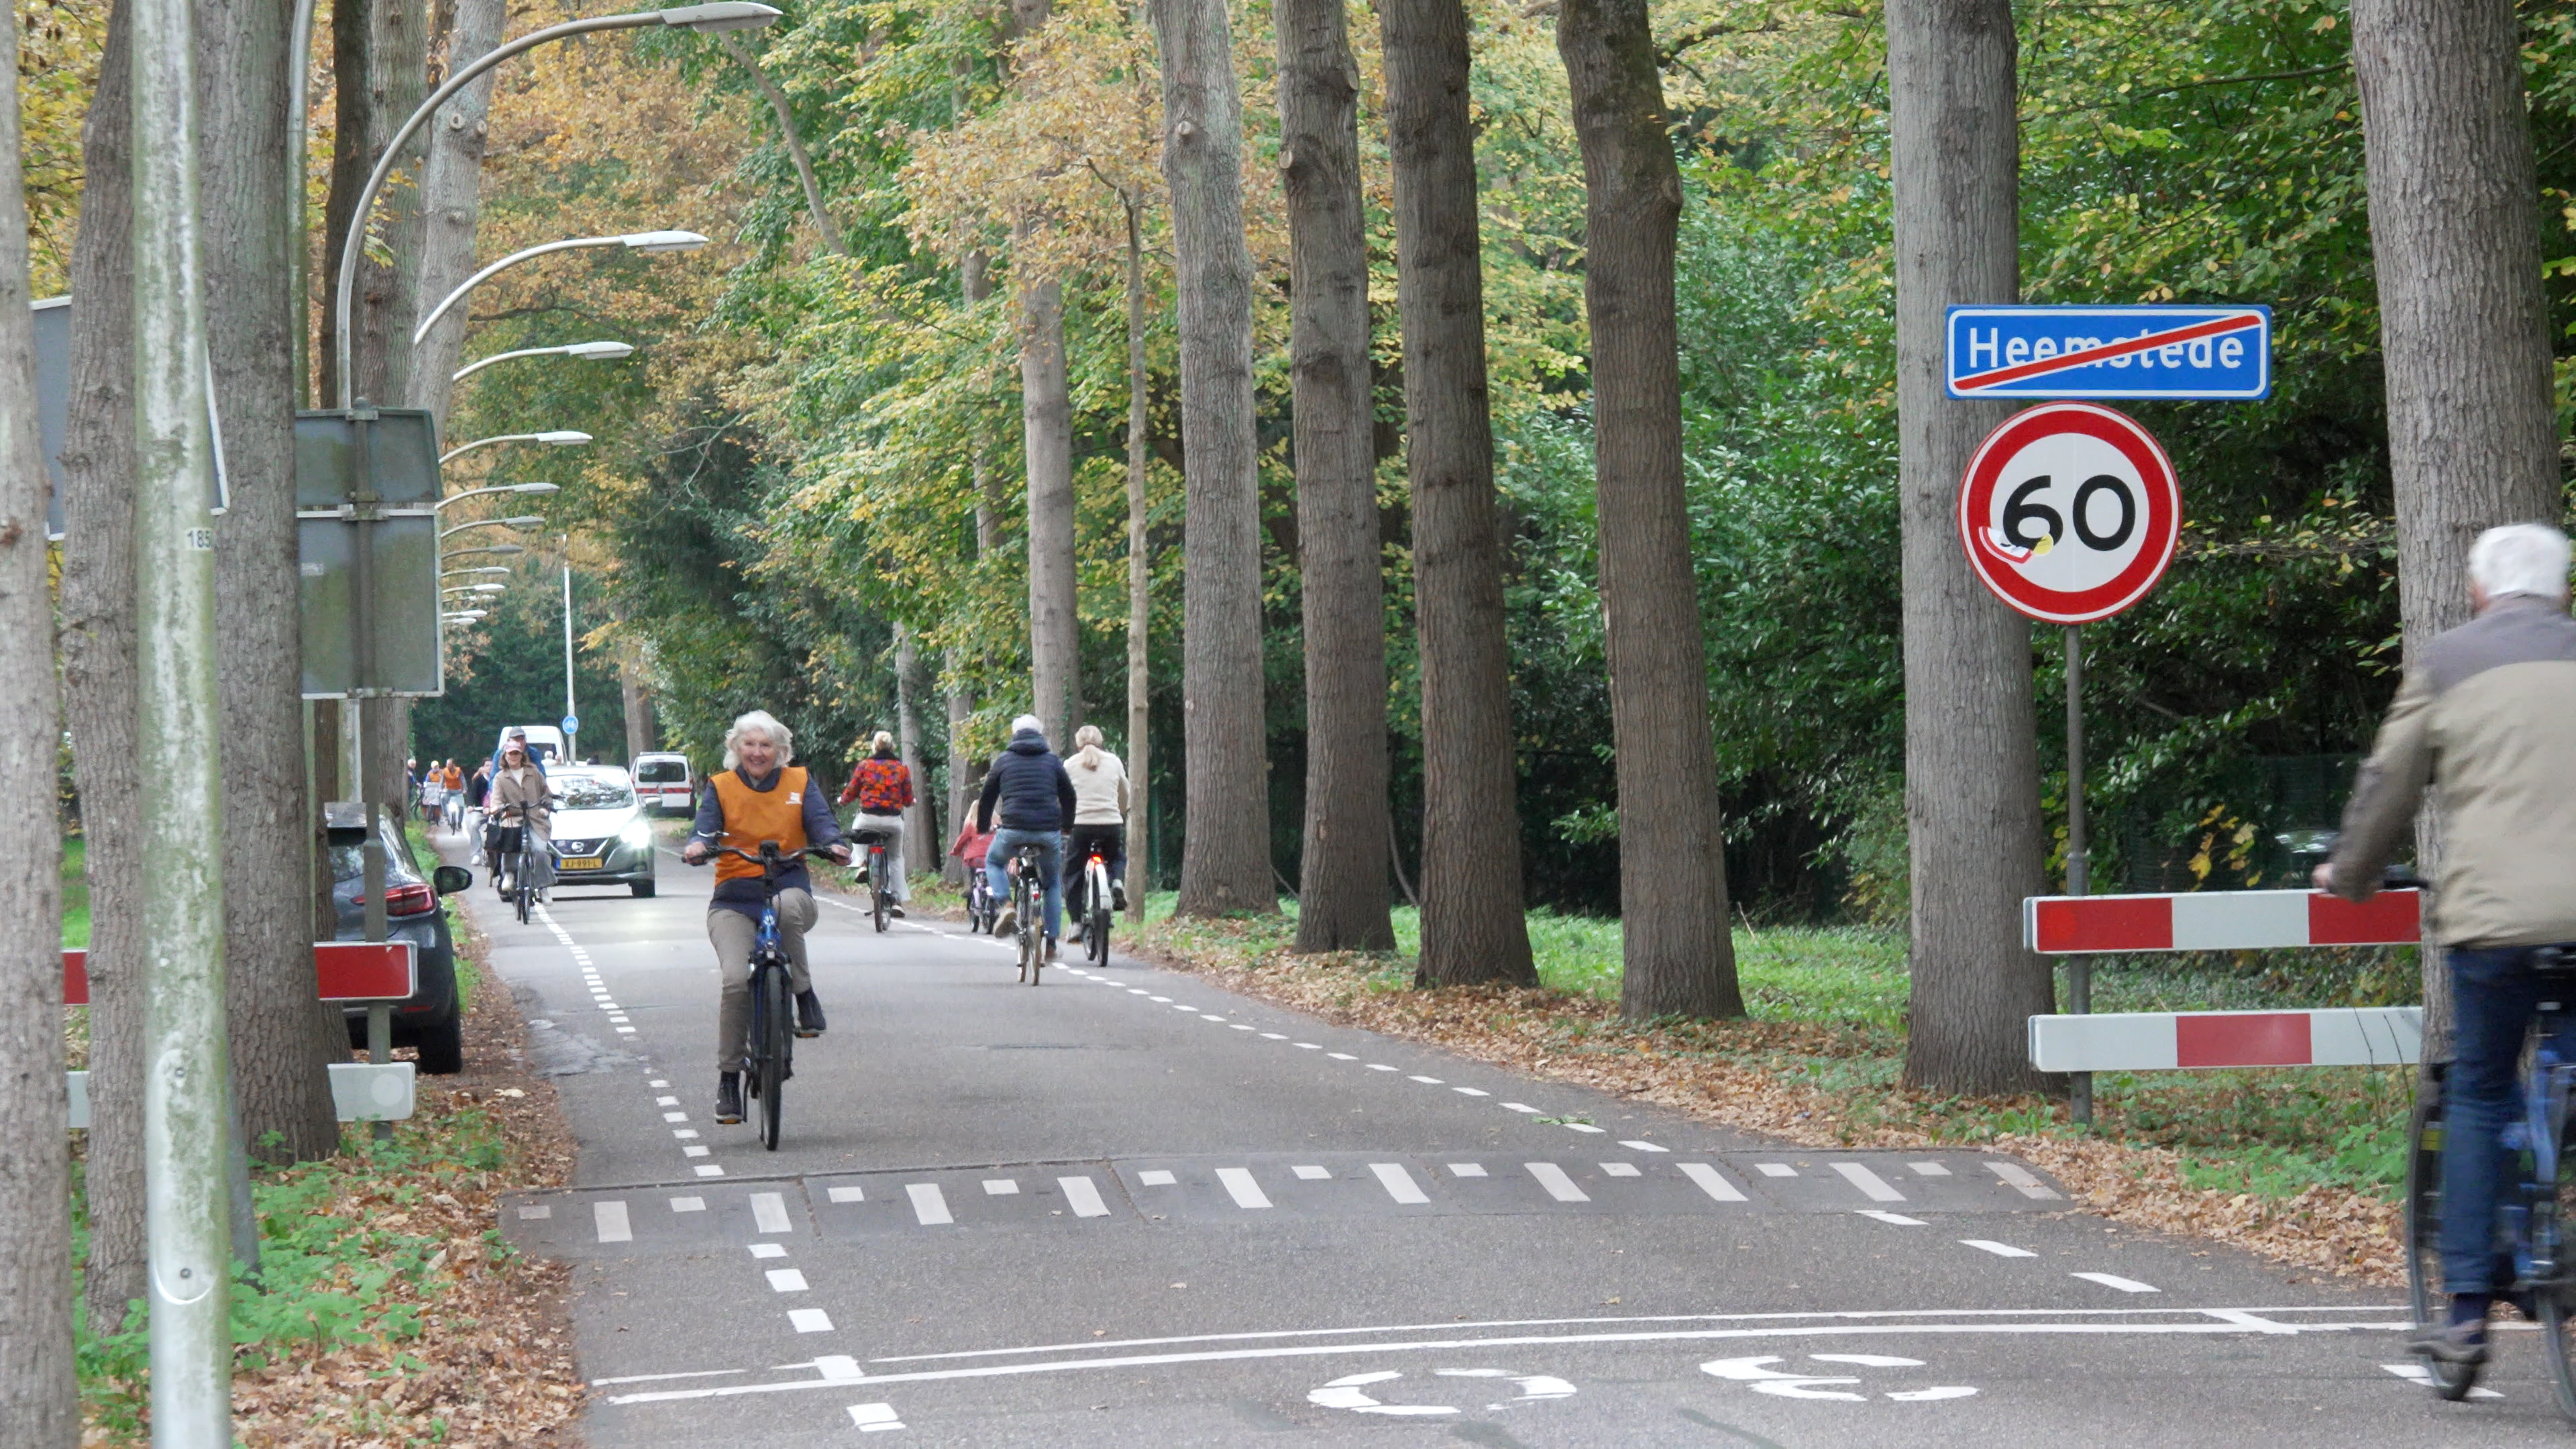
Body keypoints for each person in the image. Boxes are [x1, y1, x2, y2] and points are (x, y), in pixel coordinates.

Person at [2318, 523, 2576, 1373]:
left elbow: (2390, 779)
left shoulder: (2450, 661)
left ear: (2479, 590)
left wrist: (2351, 875)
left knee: (2478, 1092)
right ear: (2563, 591)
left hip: (2495, 925)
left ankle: (2466, 1313)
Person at [682, 710, 850, 1126]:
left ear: (780, 751)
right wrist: (698, 846)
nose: (757, 753)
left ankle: (804, 994)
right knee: (736, 980)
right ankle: (728, 1078)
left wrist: (833, 844)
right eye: (750, 744)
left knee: (785, 907)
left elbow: (822, 824)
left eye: (766, 745)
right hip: (734, 900)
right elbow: (705, 829)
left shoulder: (799, 781)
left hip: (788, 888)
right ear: (736, 748)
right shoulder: (720, 787)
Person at [975, 714, 1076, 959]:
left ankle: (1006, 904)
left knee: (994, 862)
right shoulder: (1053, 761)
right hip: (1047, 831)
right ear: (1040, 734)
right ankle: (1051, 944)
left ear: (1014, 734)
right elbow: (1069, 795)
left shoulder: (1004, 760)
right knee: (1052, 882)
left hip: (1013, 829)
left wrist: (982, 826)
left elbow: (988, 795)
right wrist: (1066, 826)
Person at [836, 731, 913, 916]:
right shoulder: (901, 768)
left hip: (868, 818)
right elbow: (908, 798)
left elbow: (852, 790)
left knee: (857, 830)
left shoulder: (865, 766)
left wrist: (842, 801)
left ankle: (861, 862)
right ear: (892, 747)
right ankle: (896, 901)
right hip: (892, 821)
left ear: (874, 746)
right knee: (895, 858)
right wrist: (909, 802)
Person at [1062, 724, 1130, 918]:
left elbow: (1064, 797)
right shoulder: (1114, 761)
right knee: (1116, 856)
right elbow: (1124, 790)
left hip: (1081, 825)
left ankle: (1076, 922)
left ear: (1078, 743)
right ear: (1101, 741)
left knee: (1073, 871)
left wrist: (1065, 822)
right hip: (1111, 824)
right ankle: (1117, 881)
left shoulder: (1070, 764)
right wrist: (1121, 810)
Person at [488, 739, 557, 902]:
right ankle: (510, 875)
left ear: (521, 755)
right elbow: (496, 798)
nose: (513, 756)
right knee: (509, 839)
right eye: (510, 753)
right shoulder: (500, 777)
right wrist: (497, 808)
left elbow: (547, 794)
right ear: (505, 756)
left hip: (535, 817)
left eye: (516, 753)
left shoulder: (534, 773)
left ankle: (542, 887)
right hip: (512, 816)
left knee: (540, 851)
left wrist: (545, 808)